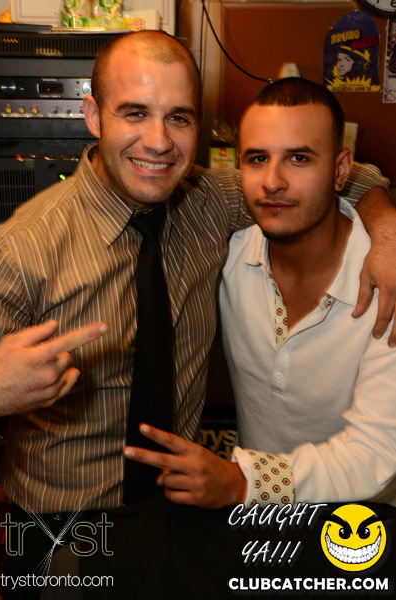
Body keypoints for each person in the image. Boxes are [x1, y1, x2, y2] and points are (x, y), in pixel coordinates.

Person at [0, 31, 393, 596]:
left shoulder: (208, 201)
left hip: (178, 513)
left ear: (198, 126)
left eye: (178, 118)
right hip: (60, 525)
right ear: (93, 115)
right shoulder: (21, 250)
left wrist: (387, 229)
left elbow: (343, 175)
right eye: (135, 112)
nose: (158, 142)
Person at [124, 77, 396, 511]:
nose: (272, 181)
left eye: (299, 158)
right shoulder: (227, 257)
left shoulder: (389, 280)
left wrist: (243, 481)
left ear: (341, 170)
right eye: (257, 159)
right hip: (253, 517)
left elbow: (375, 454)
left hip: (364, 522)